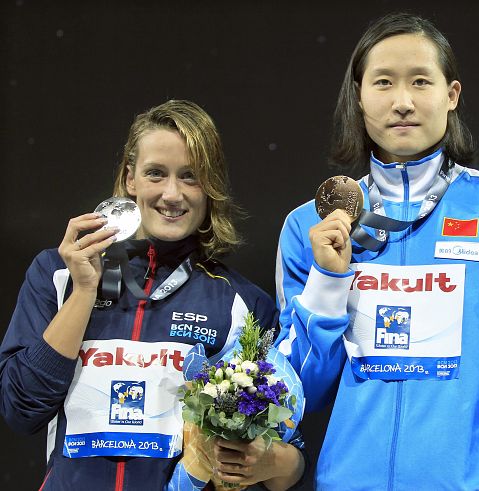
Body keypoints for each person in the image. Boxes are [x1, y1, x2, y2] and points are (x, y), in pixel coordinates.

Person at [275, 12, 479, 491]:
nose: (403, 102)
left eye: (420, 82)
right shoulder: (310, 226)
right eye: (384, 82)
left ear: (451, 95)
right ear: (359, 95)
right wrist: (327, 282)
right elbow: (292, 394)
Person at [0, 100, 305, 490]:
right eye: (155, 174)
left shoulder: (241, 303)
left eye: (191, 177)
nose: (172, 194)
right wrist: (83, 292)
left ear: (211, 186)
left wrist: (268, 461)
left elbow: (285, 463)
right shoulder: (57, 274)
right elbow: (21, 409)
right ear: (131, 179)